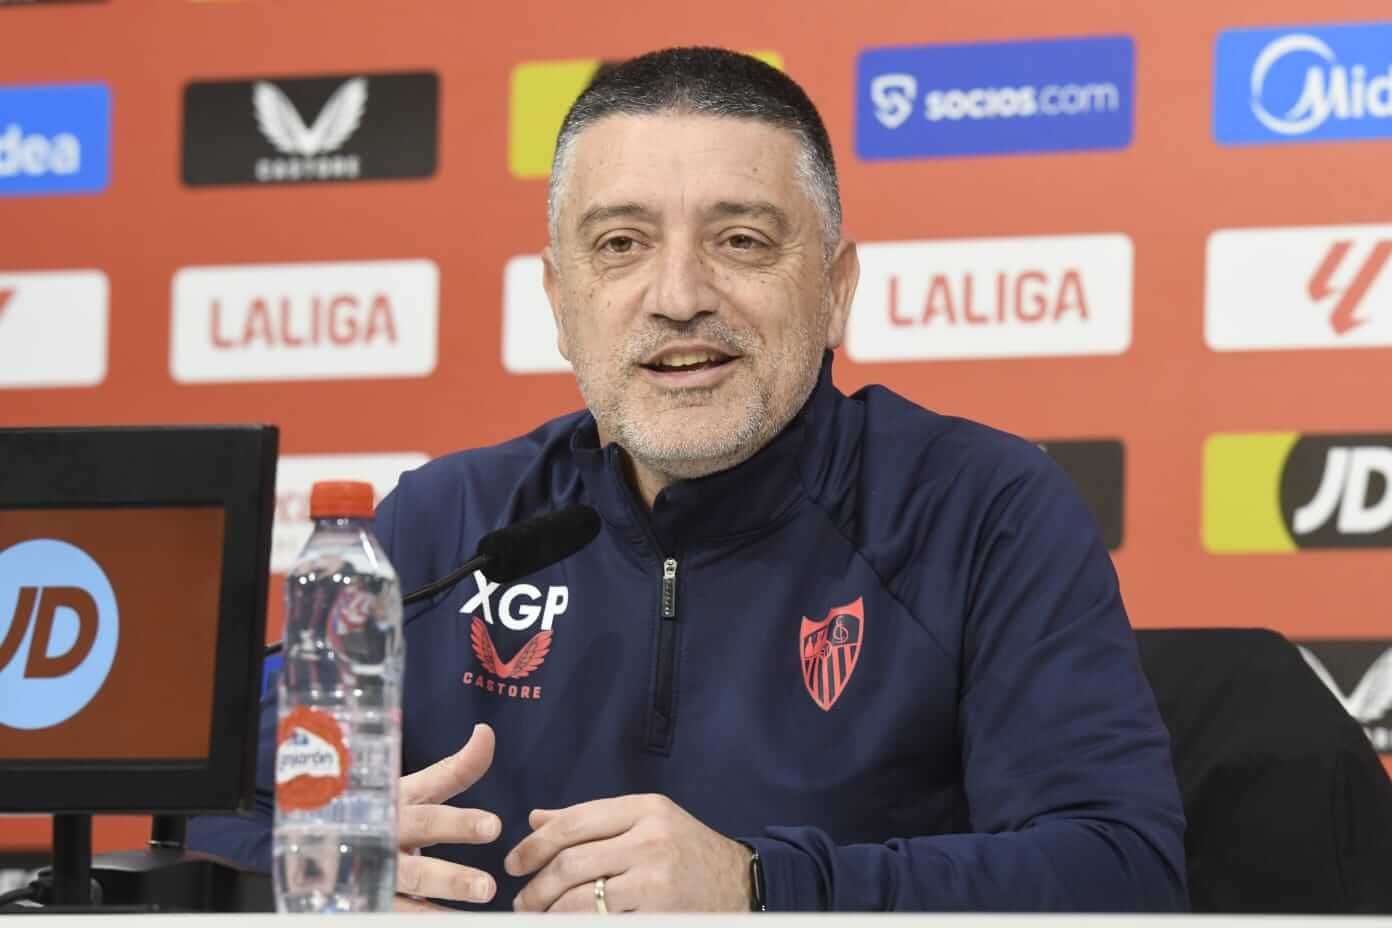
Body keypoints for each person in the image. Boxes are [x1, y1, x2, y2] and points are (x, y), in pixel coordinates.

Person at [190, 47, 1187, 912]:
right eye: (621, 246)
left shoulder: (983, 511)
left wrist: (758, 887)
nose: (678, 297)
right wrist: (315, 875)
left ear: (834, 288)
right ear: (559, 297)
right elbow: (210, 814)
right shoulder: (443, 528)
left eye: (740, 240)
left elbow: (1124, 873)